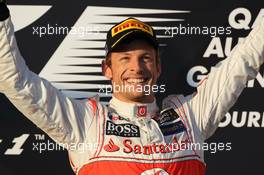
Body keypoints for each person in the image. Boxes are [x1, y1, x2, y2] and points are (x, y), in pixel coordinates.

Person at [1, 1, 264, 175]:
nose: (136, 67)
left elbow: (244, 60)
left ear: (158, 67)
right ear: (107, 69)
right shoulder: (85, 122)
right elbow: (17, 82)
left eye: (145, 58)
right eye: (124, 58)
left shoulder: (191, 116)